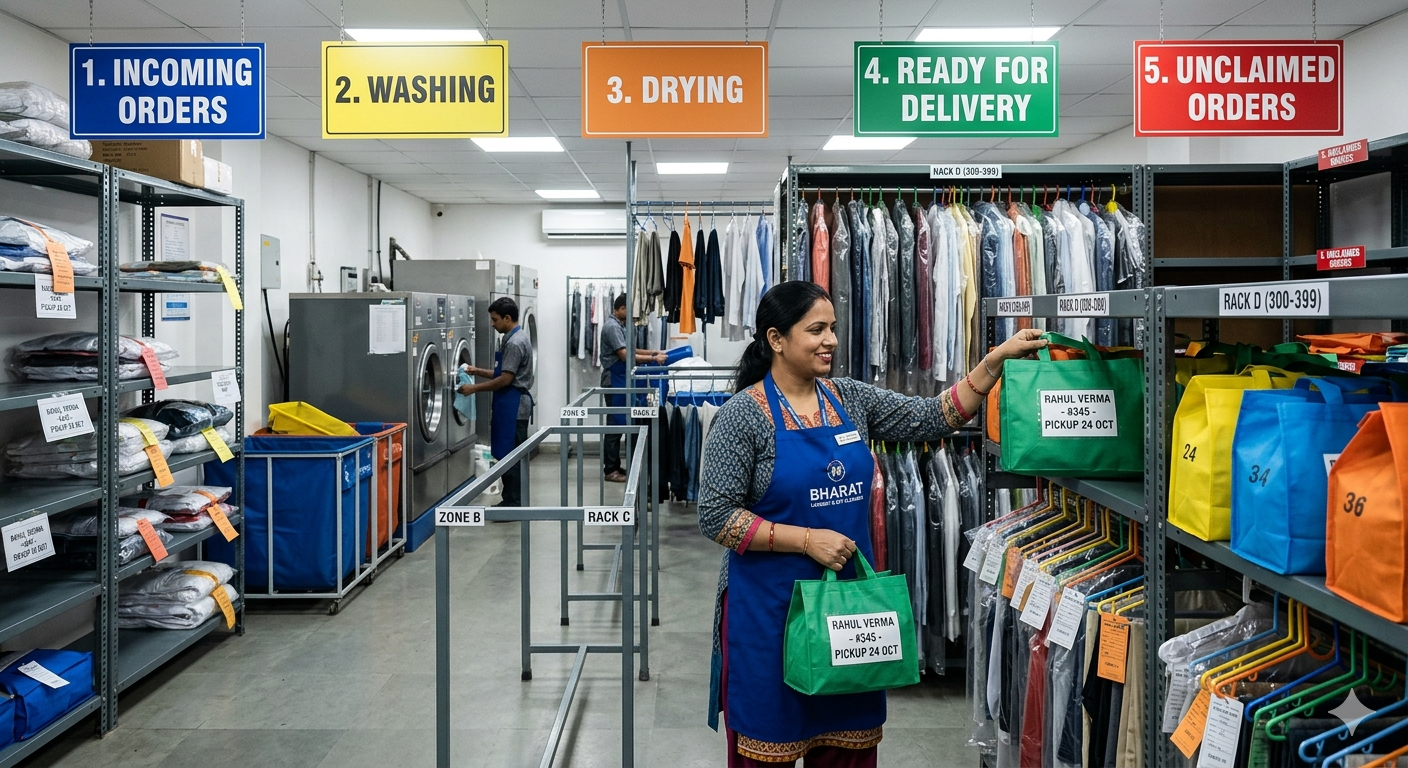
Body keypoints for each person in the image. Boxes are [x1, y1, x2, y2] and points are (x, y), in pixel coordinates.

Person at [697, 281, 1045, 766]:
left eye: (833, 328)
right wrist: (806, 540)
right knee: (766, 748)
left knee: (848, 746)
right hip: (768, 615)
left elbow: (932, 417)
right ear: (776, 339)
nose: (831, 340)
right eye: (816, 330)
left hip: (848, 611)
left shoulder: (849, 398)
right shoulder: (742, 417)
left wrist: (995, 361)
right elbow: (715, 514)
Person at [459, 296, 535, 507]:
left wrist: (473, 389)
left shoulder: (515, 343)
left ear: (507, 318)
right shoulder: (515, 337)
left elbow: (505, 380)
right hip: (510, 403)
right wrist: (476, 371)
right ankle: (513, 500)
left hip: (514, 406)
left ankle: (513, 503)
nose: (492, 324)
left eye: (495, 320)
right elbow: (503, 372)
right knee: (509, 453)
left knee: (511, 456)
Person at [600, 294, 666, 482]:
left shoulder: (621, 326)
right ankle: (610, 470)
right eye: (628, 309)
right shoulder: (612, 327)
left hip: (621, 378)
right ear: (619, 309)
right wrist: (653, 359)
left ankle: (615, 466)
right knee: (615, 425)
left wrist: (653, 352)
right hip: (614, 379)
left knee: (622, 422)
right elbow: (624, 355)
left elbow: (632, 350)